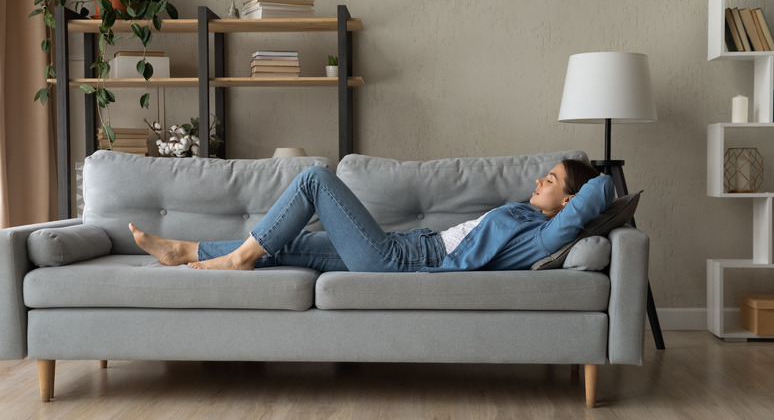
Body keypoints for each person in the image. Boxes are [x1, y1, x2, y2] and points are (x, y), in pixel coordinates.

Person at [130, 159, 613, 273]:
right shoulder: (532, 218)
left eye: (550, 180)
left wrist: (598, 174)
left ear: (569, 202)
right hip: (407, 246)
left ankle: (236, 260)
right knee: (293, 245)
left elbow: (602, 189)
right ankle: (184, 250)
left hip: (404, 263)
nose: (538, 181)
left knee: (315, 178)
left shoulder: (547, 235)